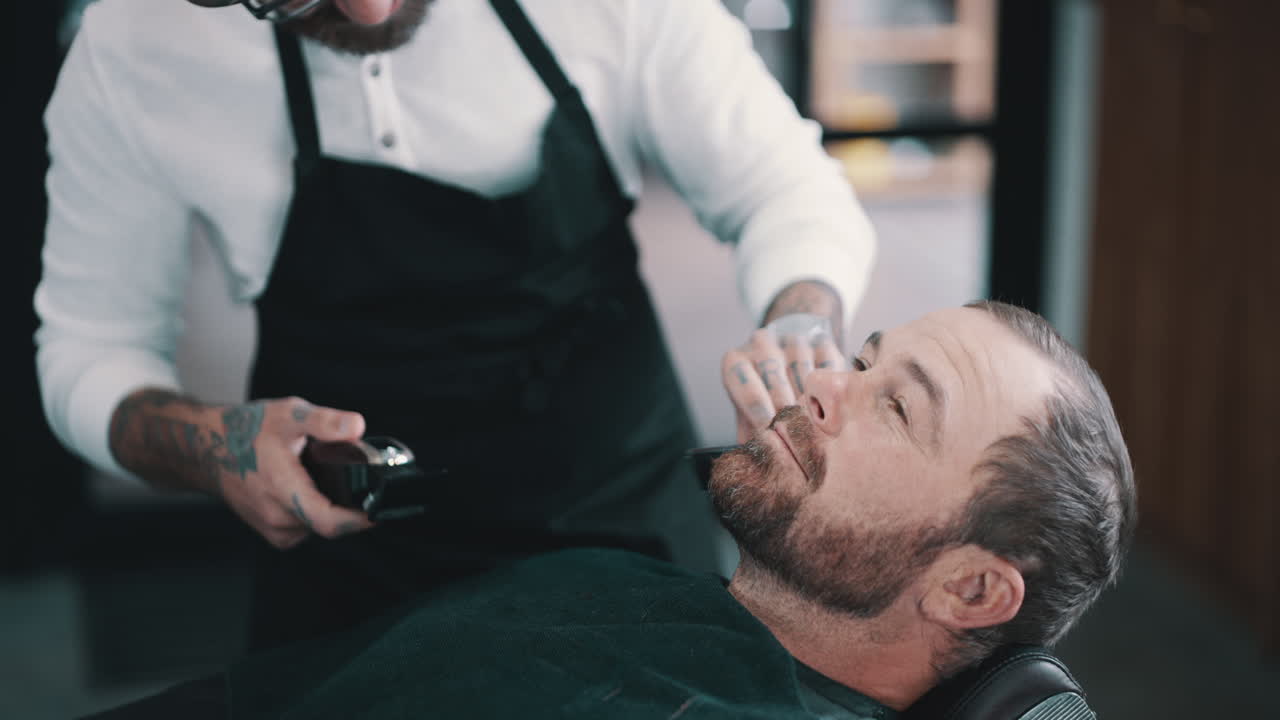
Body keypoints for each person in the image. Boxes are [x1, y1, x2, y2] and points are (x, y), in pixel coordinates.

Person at [35, 0, 876, 652]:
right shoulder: (131, 47)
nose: (370, 11)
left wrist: (800, 322)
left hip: (624, 521)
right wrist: (212, 444)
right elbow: (90, 348)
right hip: (350, 577)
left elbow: (786, 189)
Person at [83, 301, 1137, 719]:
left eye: (896, 406)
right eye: (863, 360)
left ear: (968, 588)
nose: (821, 386)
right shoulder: (628, 589)